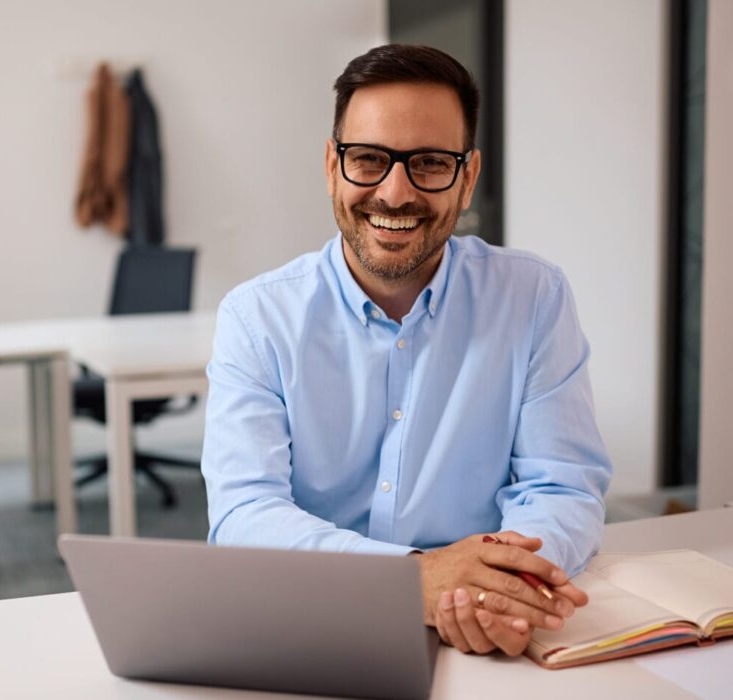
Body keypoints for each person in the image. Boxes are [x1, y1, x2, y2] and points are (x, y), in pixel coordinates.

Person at [201, 45, 612, 657]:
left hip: (486, 631)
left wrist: (496, 588)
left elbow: (563, 489)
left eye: (428, 163)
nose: (395, 194)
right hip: (316, 627)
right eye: (367, 159)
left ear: (467, 178)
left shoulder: (534, 297)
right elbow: (243, 514)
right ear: (331, 167)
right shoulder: (257, 317)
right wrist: (415, 580)